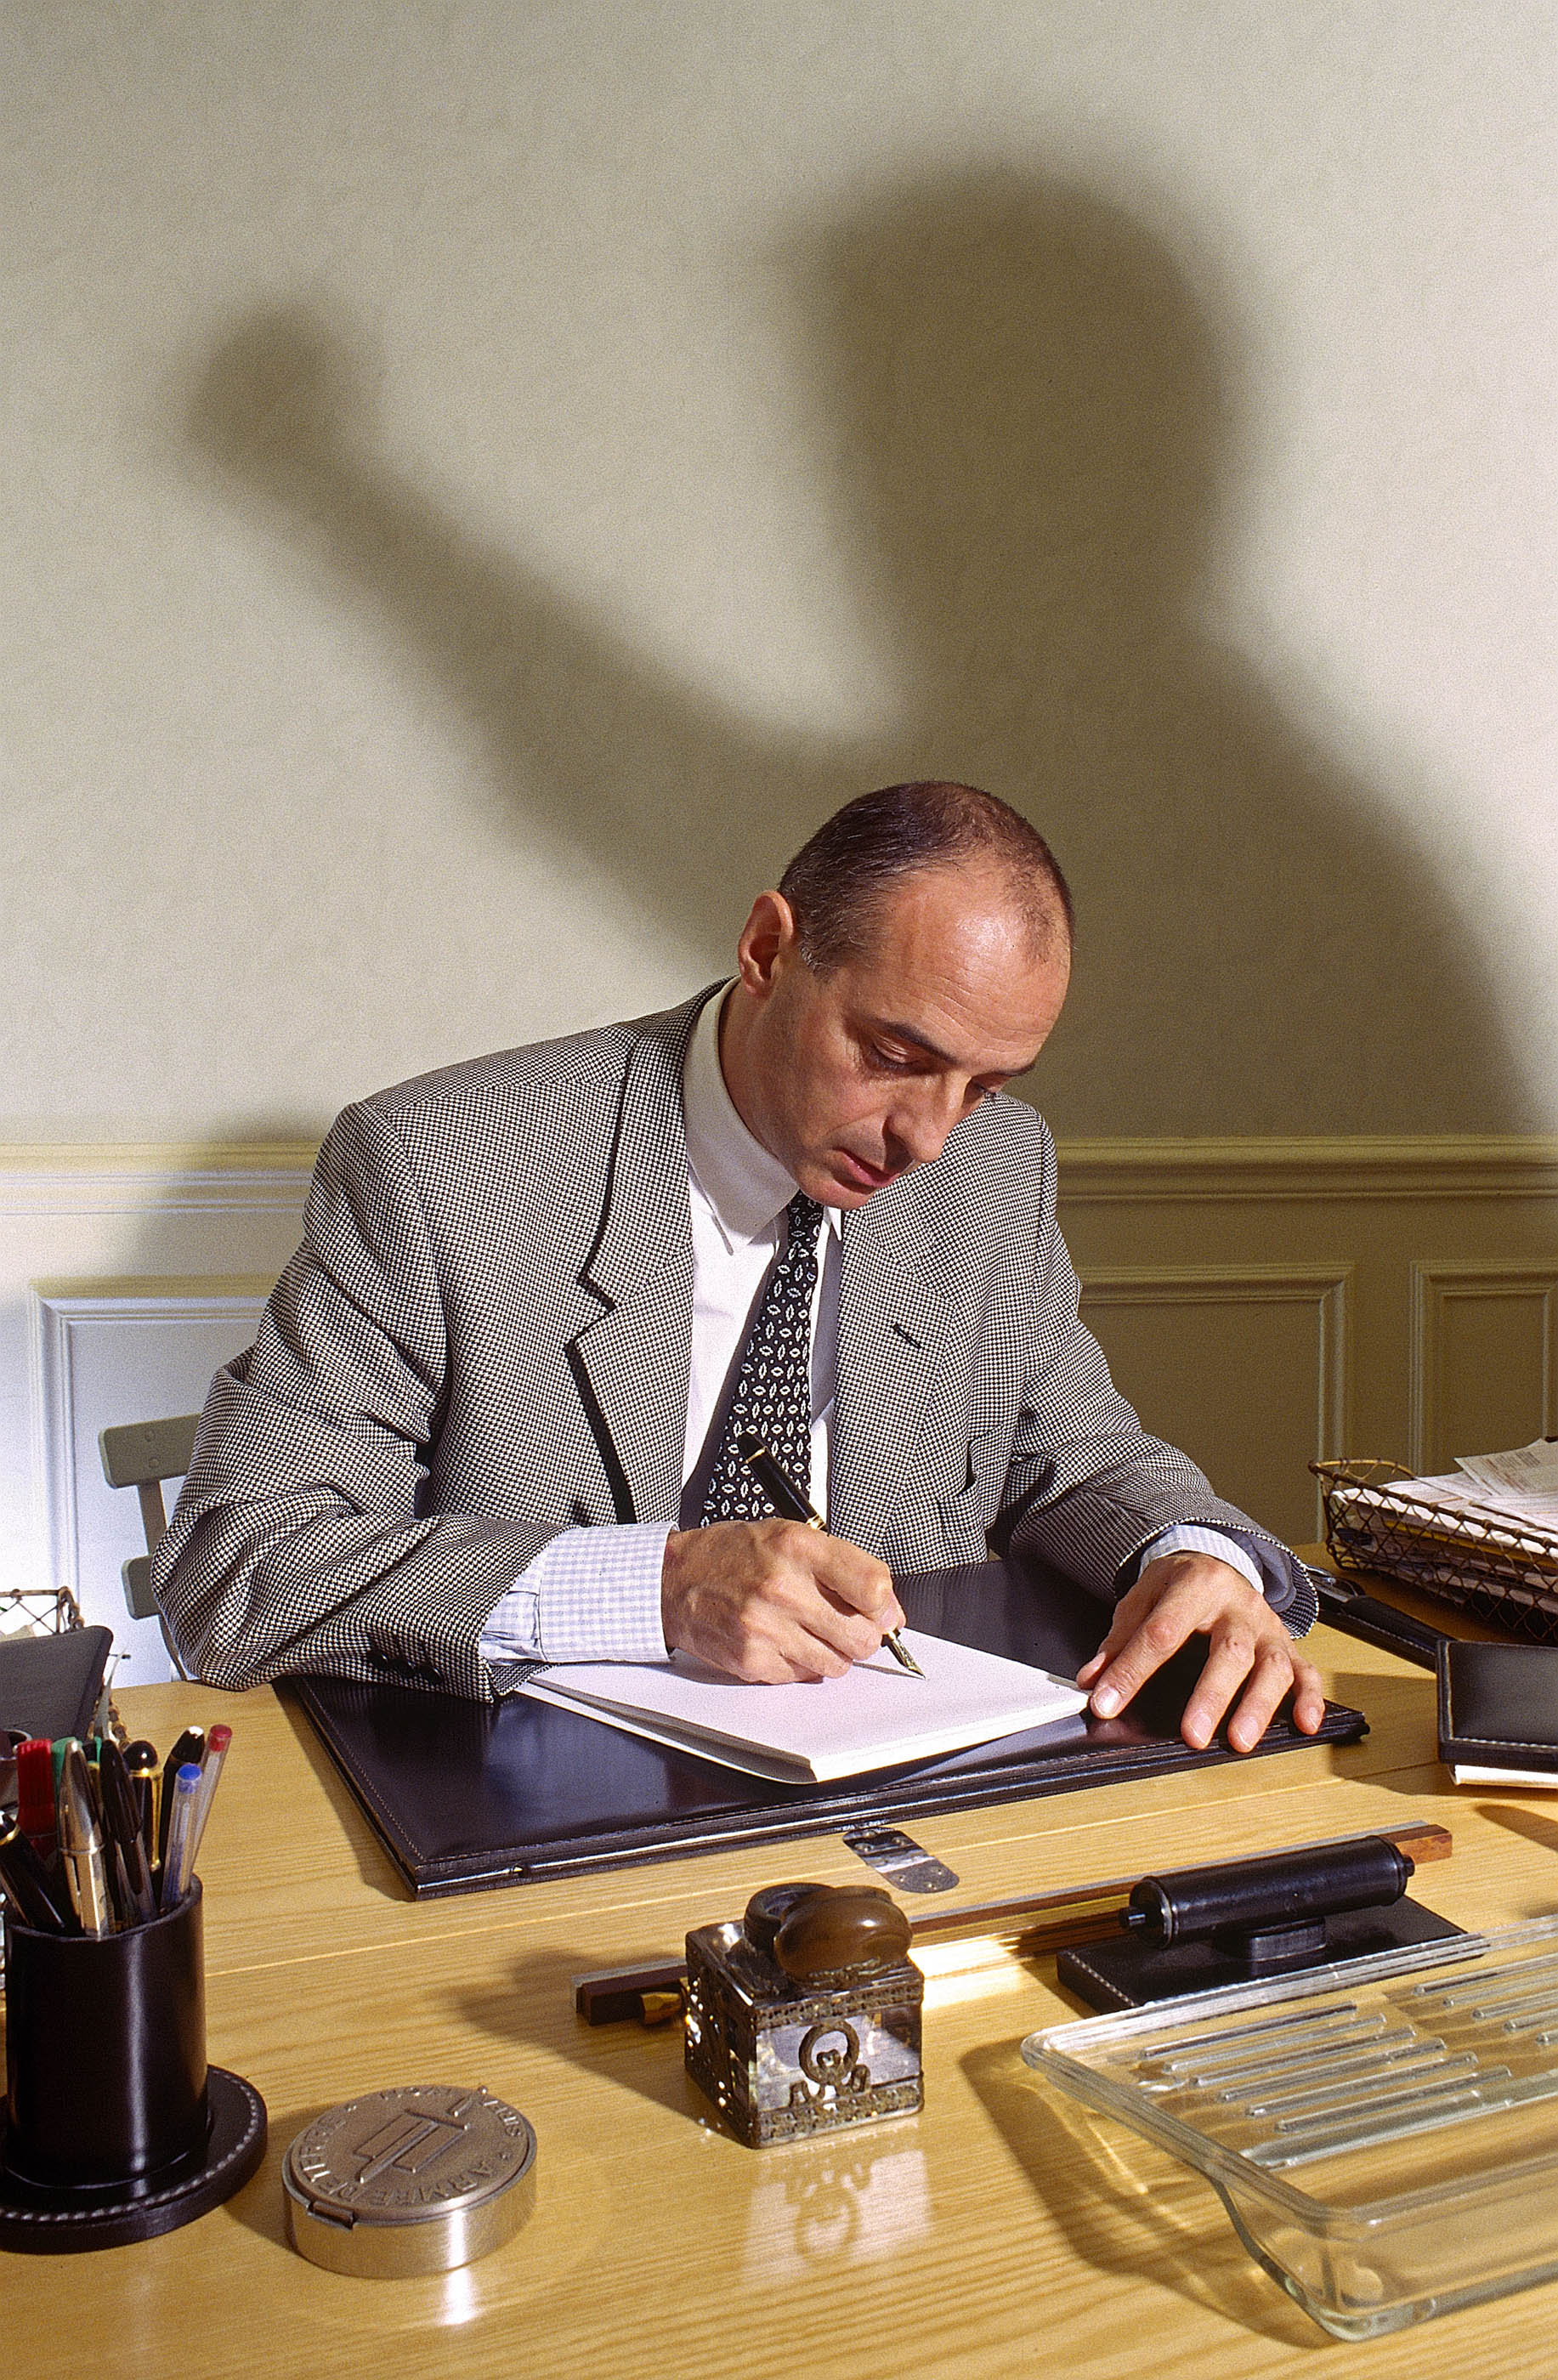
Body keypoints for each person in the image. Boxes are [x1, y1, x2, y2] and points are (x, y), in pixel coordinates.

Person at [155, 782, 1323, 1752]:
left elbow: (1076, 1456)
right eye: (894, 1055)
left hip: (896, 1805)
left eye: (985, 1085)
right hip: (539, 1819)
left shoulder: (993, 1170)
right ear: (768, 950)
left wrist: (1193, 1555)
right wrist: (653, 1591)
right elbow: (239, 1565)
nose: (927, 1137)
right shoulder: (442, 1166)